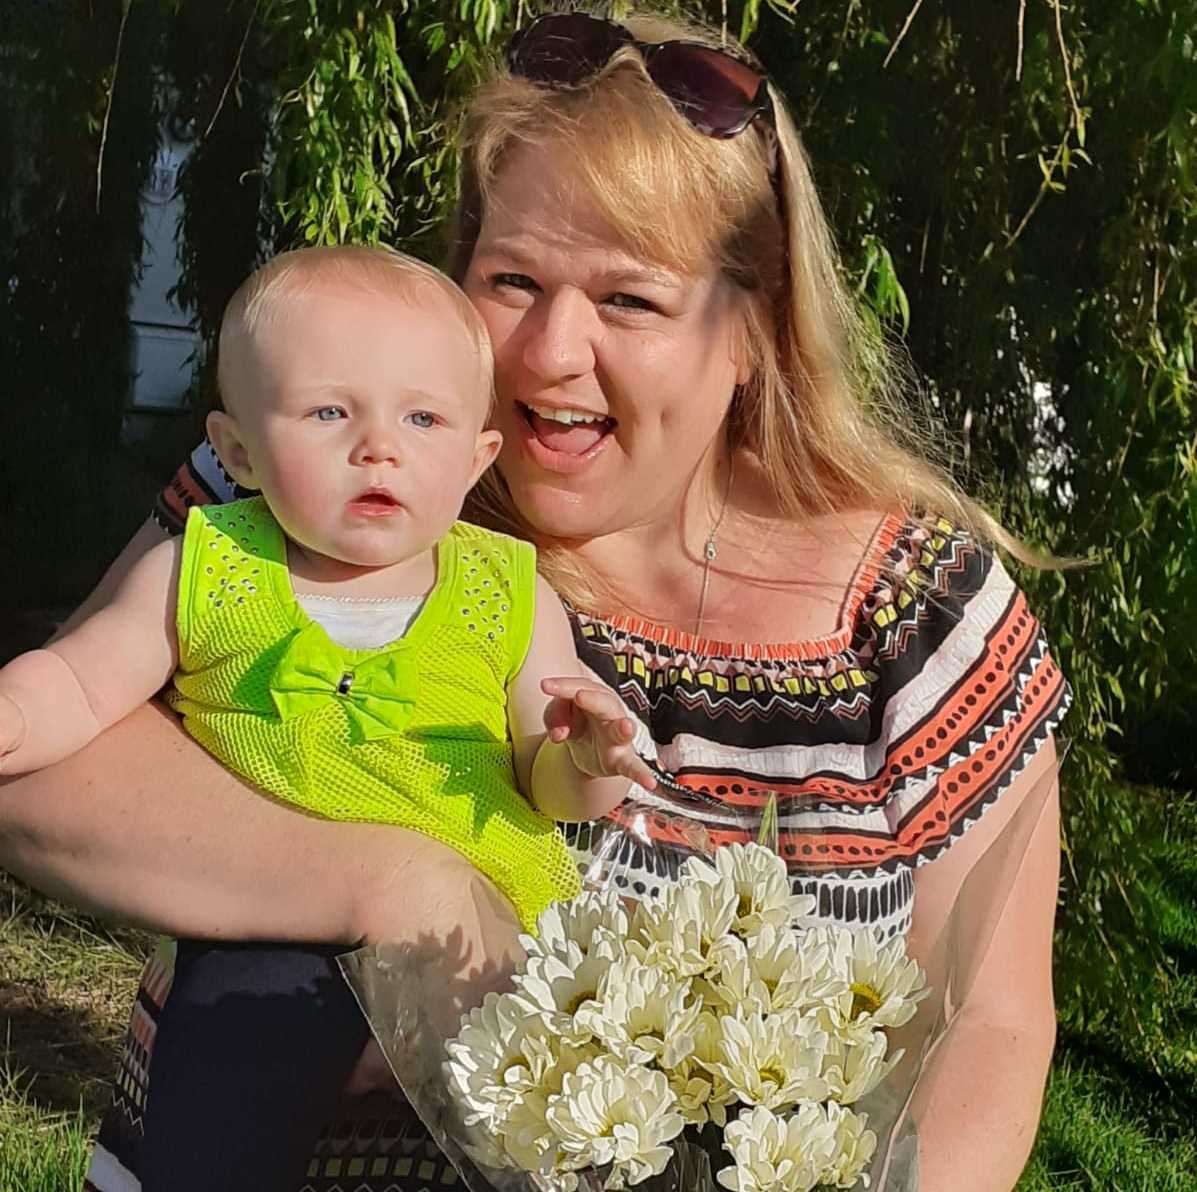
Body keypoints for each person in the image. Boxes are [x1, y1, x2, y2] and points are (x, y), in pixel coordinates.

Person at [0, 10, 1069, 1192]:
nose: (554, 352)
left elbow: (993, 1024)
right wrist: (378, 885)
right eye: (514, 278)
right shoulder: (312, 488)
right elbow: (45, 763)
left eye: (630, 301)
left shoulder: (919, 616)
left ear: (751, 333)